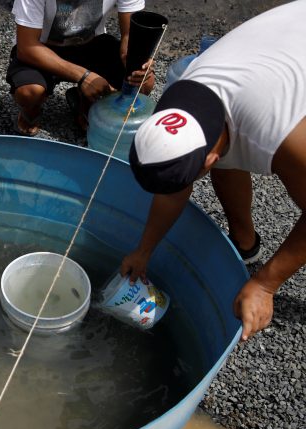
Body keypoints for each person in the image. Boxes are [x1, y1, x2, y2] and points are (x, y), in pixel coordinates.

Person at [123, 1, 306, 341]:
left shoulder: (277, 136)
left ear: (208, 162)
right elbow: (174, 184)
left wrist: (266, 284)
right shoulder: (178, 103)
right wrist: (144, 249)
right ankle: (246, 243)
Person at [6, 0, 155, 135]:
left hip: (92, 43)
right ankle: (31, 111)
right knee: (30, 92)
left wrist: (136, 59)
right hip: (43, 47)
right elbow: (26, 47)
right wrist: (84, 76)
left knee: (142, 84)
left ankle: (84, 101)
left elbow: (130, 34)